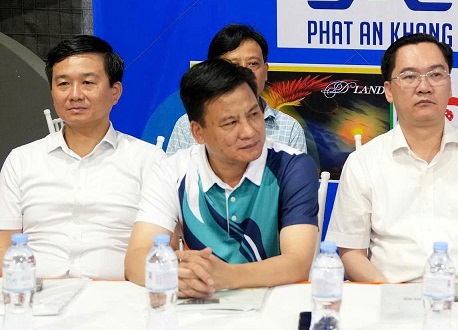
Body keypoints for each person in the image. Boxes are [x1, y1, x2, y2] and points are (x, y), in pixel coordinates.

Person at [326, 33, 458, 286]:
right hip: (387, 297)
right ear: (389, 91)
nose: (424, 87)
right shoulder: (363, 162)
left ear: (450, 84)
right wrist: (390, 296)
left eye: (435, 75)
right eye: (409, 77)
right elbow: (351, 252)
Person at [125, 59, 319, 297]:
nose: (249, 131)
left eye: (254, 114)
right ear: (198, 132)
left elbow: (298, 262)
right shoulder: (172, 171)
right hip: (199, 302)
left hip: (275, 301)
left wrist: (227, 276)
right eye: (230, 123)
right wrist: (178, 279)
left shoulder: (292, 166)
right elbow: (136, 259)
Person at [0, 36, 164, 279]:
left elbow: (160, 249)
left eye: (88, 83)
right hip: (36, 292)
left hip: (118, 294)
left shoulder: (150, 161)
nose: (75, 94)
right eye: (63, 84)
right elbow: (4, 246)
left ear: (115, 92)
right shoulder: (21, 161)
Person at [165, 24, 307, 154]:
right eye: (233, 65)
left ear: (266, 71)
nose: (245, 72)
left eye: (253, 63)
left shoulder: (289, 128)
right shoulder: (188, 125)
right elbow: (174, 174)